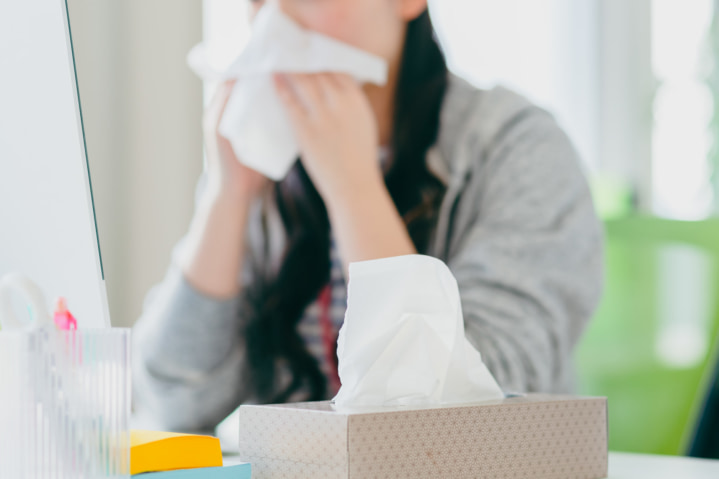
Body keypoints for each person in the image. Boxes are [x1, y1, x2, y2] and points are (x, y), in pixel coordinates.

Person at [132, 0, 603, 432]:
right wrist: (227, 195)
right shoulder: (266, 164)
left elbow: (466, 409)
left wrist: (353, 186)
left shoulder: (518, 149)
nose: (278, 21)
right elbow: (174, 402)